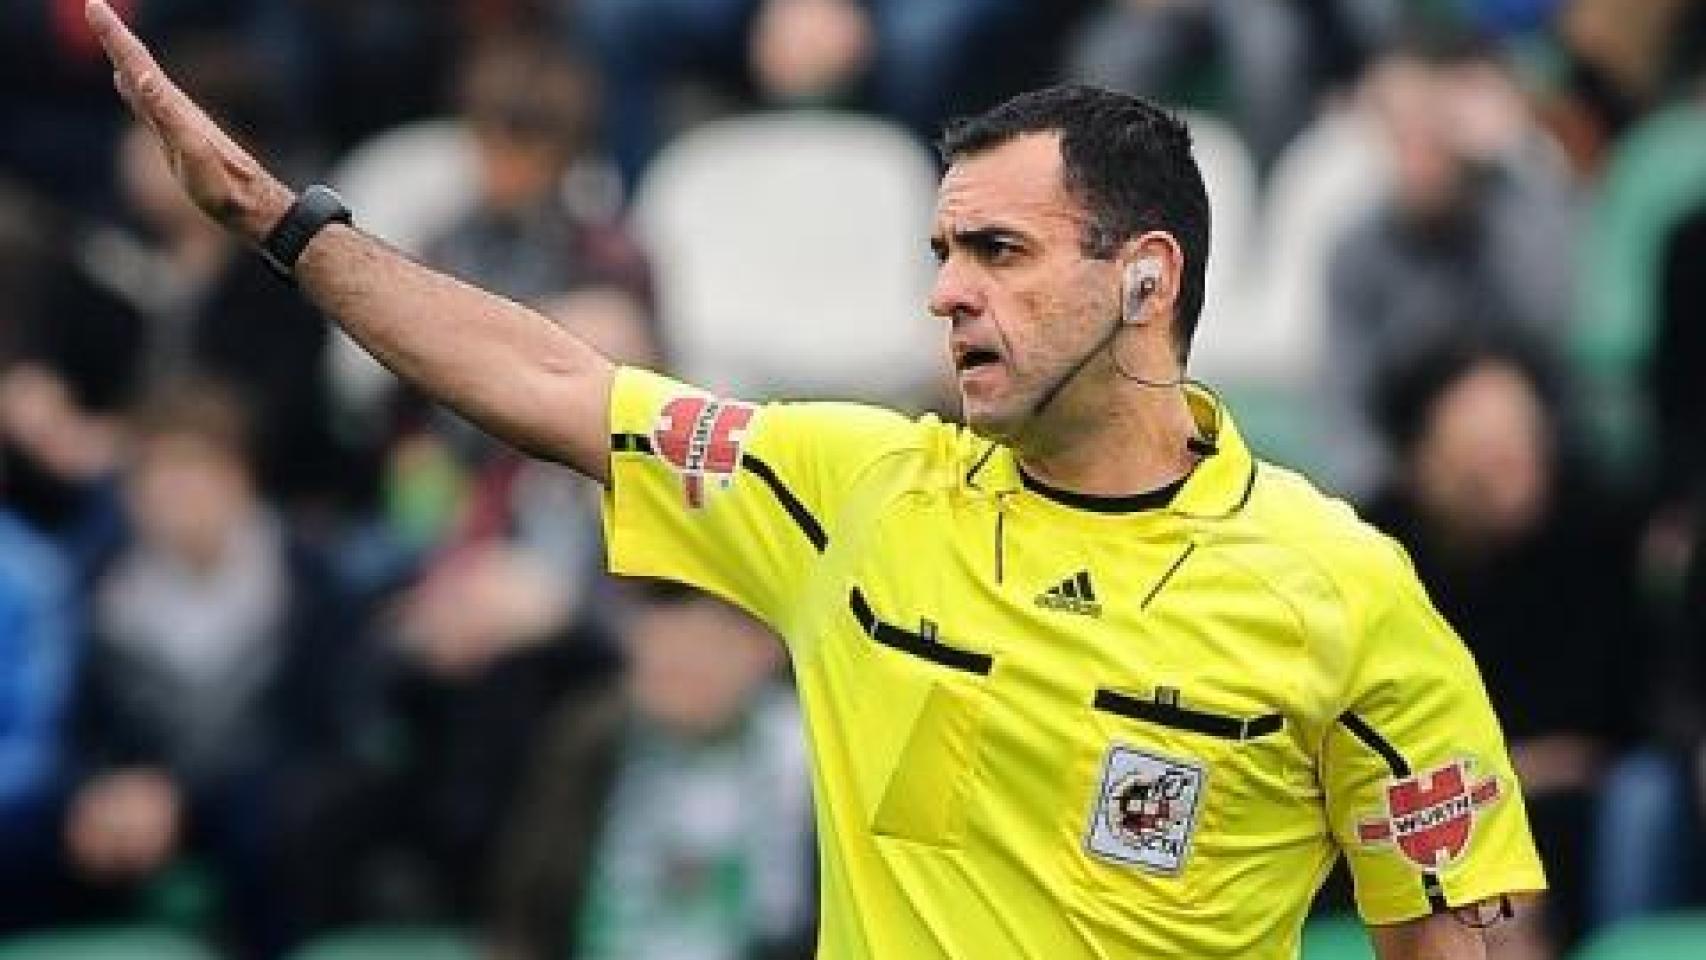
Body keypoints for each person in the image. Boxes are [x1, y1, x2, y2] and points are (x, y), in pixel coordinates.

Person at [84, 2, 1545, 956]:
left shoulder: (1341, 588)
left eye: (999, 254)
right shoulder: (850, 485)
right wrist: (286, 225)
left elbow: (1455, 926)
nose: (946, 298)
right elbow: (549, 385)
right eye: (939, 257)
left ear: (1144, 276)